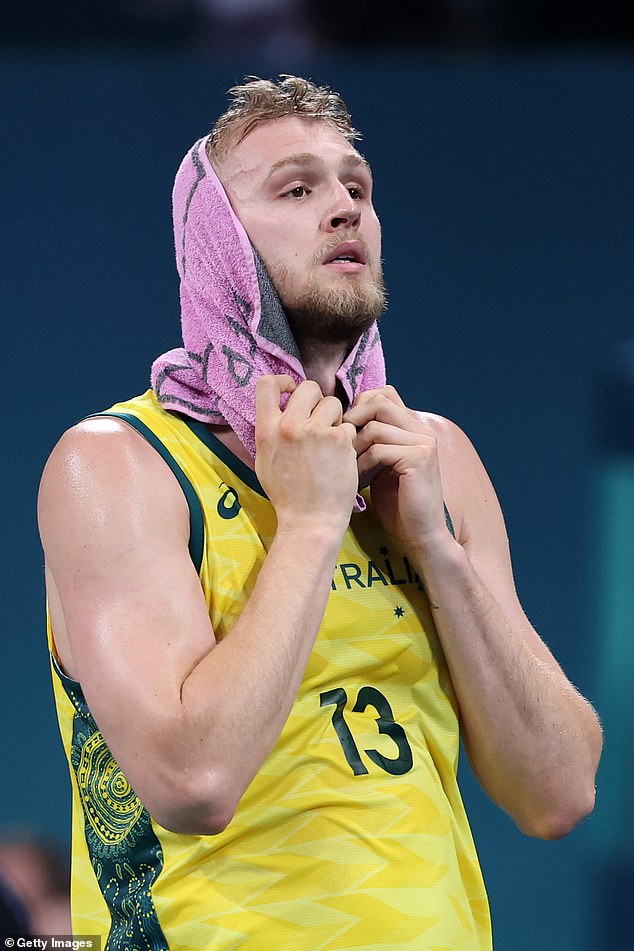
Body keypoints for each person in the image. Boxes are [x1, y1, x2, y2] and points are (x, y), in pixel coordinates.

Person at [38, 75, 602, 950]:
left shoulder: (433, 458)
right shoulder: (117, 464)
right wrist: (307, 524)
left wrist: (435, 548)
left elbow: (559, 791)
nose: (343, 207)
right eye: (296, 189)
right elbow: (194, 779)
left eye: (355, 186)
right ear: (218, 243)